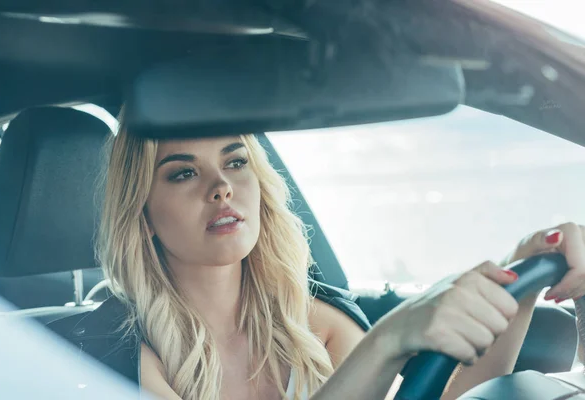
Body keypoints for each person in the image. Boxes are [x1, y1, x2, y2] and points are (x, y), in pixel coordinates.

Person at [52, 119, 585, 400]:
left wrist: (523, 275)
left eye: (235, 161)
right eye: (183, 172)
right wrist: (389, 340)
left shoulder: (312, 321)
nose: (221, 188)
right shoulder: (114, 350)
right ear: (142, 213)